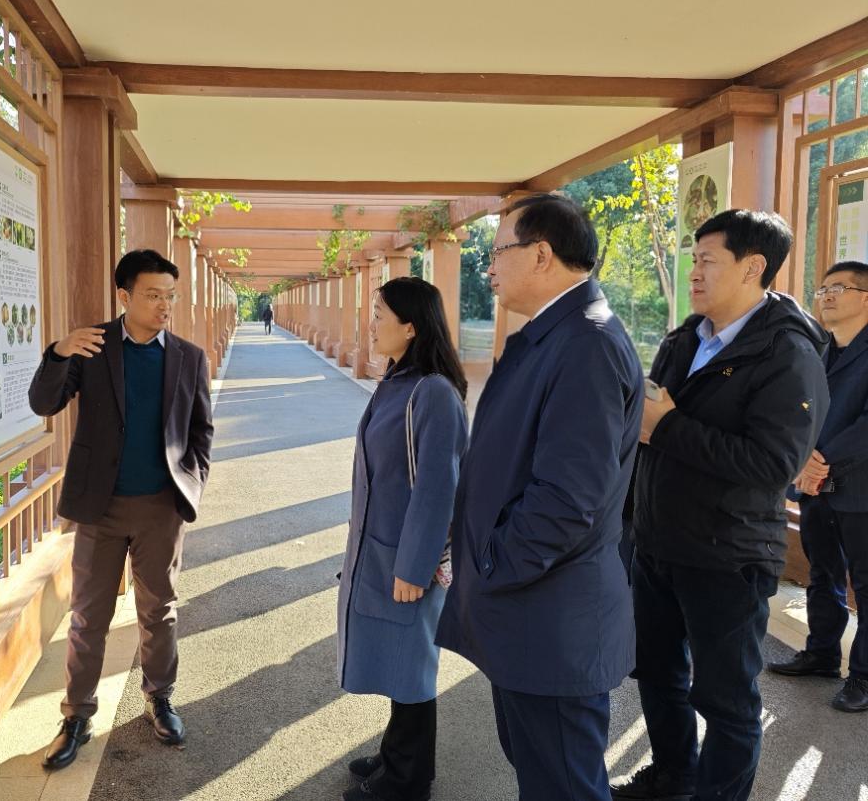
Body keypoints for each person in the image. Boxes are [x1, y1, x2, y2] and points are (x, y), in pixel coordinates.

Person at [611, 210, 830, 801]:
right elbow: (648, 428)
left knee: (726, 700)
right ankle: (673, 778)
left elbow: (772, 466)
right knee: (656, 674)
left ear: (753, 267)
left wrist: (668, 426)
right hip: (658, 542)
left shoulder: (788, 354)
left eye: (708, 260)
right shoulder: (687, 337)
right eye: (694, 259)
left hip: (728, 555)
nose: (694, 271)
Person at [435, 193, 642, 801]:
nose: (489, 268)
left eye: (498, 251)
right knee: (544, 774)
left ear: (541, 254)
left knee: (563, 784)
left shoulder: (586, 344)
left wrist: (493, 564)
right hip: (534, 608)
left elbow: (567, 499)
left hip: (551, 615)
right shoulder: (558, 335)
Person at [29, 248, 214, 770]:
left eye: (170, 296)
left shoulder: (188, 357)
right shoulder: (92, 347)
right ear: (124, 296)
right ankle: (77, 716)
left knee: (159, 610)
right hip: (101, 506)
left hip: (160, 507)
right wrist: (58, 352)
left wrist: (192, 483)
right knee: (89, 616)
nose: (164, 305)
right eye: (153, 295)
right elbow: (44, 403)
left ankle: (160, 698)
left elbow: (200, 429)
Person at [338, 277, 468, 801]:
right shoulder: (399, 381)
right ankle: (396, 756)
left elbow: (439, 489)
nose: (371, 324)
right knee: (398, 660)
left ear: (410, 327)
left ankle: (408, 781)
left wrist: (414, 567)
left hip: (408, 560)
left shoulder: (432, 392)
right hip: (381, 551)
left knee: (412, 668)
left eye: (379, 315)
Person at [768, 260, 868, 713]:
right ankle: (822, 653)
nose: (826, 295)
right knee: (822, 573)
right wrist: (804, 459)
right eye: (823, 288)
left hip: (858, 486)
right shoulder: (819, 349)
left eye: (839, 288)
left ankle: (863, 676)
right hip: (815, 485)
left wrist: (819, 461)